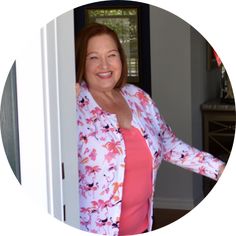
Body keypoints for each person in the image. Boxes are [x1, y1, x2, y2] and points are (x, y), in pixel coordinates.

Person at [75, 23, 225, 236]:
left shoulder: (137, 97)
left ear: (121, 59)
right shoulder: (72, 105)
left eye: (111, 55)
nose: (104, 65)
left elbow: (169, 144)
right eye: (93, 57)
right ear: (81, 61)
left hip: (143, 225)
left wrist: (219, 170)